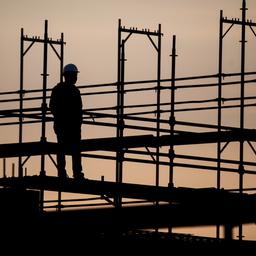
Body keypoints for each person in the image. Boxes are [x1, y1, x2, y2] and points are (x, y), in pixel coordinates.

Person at [49, 63, 84, 180]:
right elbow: (79, 109)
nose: (76, 78)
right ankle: (77, 173)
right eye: (74, 75)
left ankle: (62, 172)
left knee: (62, 149)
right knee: (75, 150)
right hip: (71, 126)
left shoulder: (57, 89)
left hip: (62, 125)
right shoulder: (74, 91)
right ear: (69, 76)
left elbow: (52, 107)